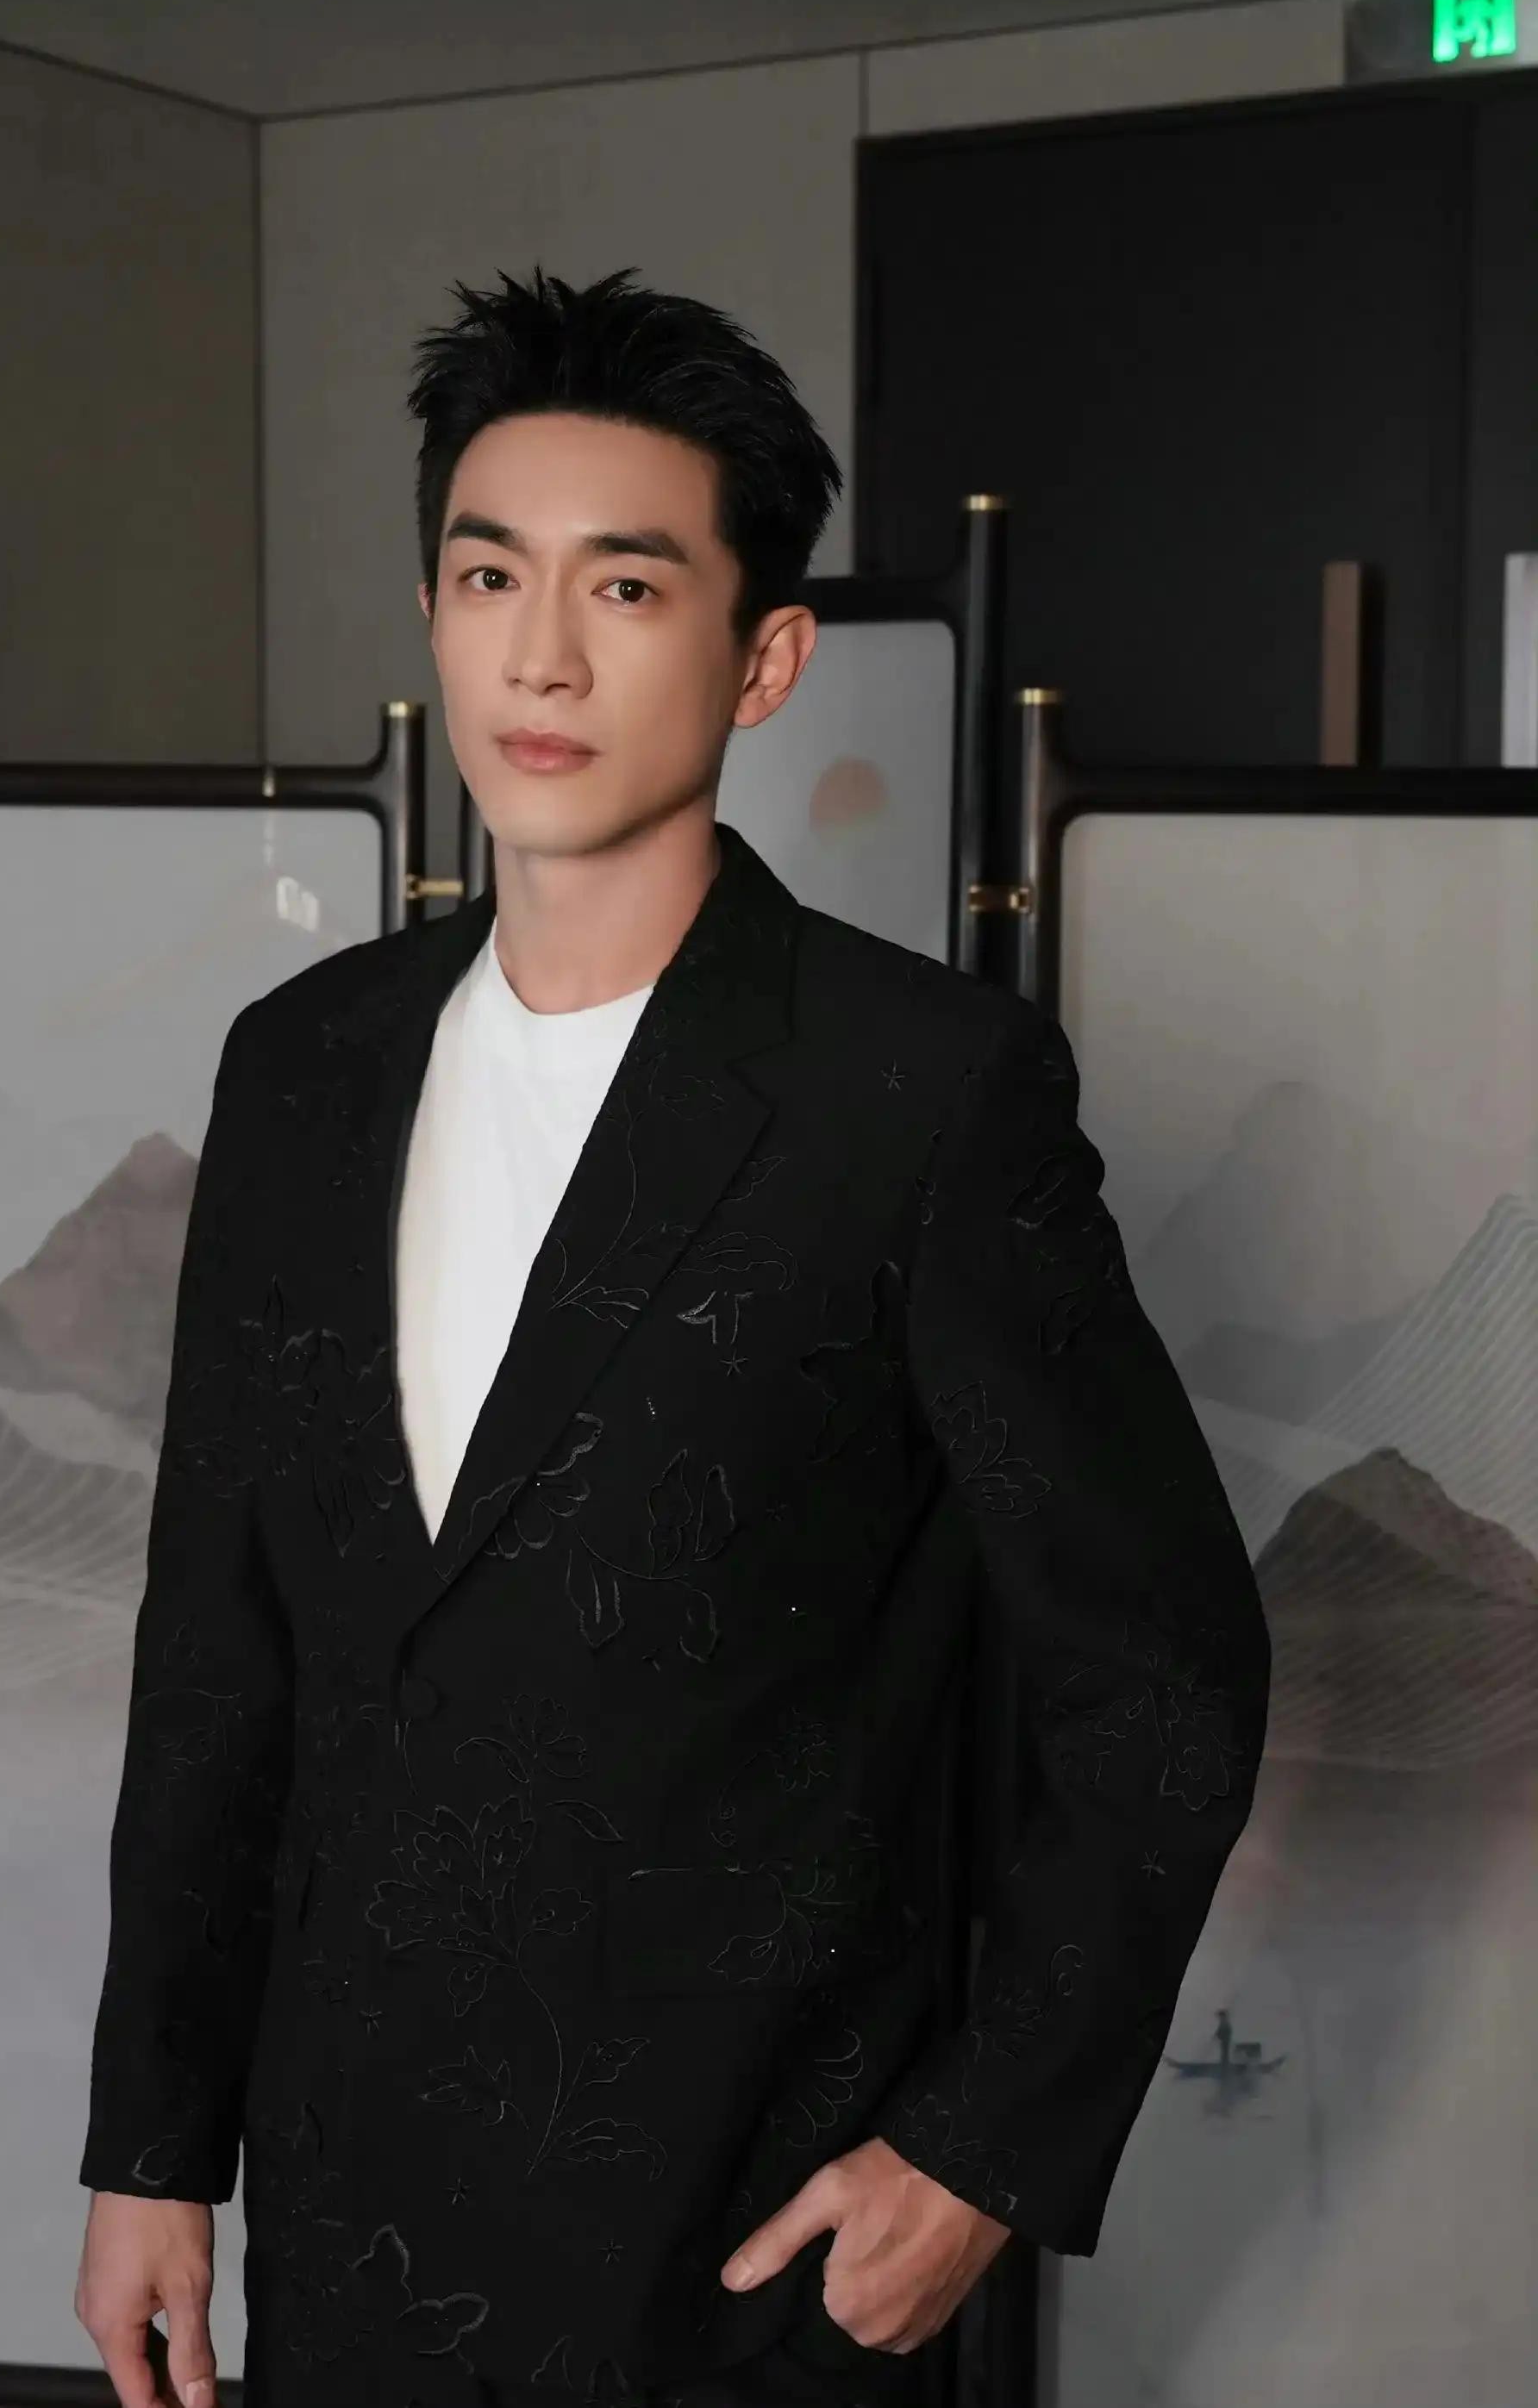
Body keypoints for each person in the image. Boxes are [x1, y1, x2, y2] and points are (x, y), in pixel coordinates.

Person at [74, 267, 1271, 2408]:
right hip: (345, 2236)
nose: (540, 654)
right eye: (488, 575)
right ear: (432, 612)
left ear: (763, 654)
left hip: (742, 2262)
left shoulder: (916, 1092)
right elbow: (216, 1645)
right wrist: (152, 2145)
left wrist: (981, 2148)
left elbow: (1160, 1665)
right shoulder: (302, 1067)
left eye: (624, 586)